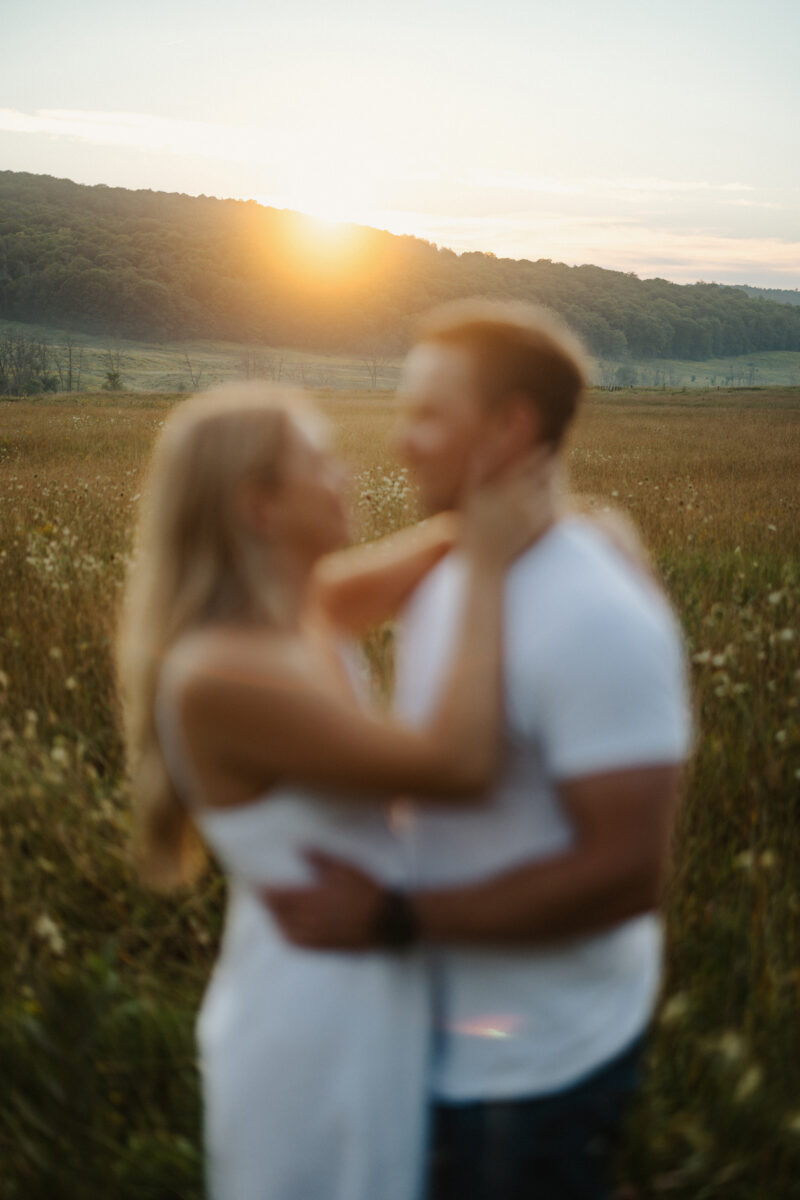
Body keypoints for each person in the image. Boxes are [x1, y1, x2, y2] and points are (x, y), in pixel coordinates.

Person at [265, 303, 693, 1200]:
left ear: (509, 427)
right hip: (435, 1033)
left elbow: (626, 872)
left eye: (428, 415)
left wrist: (394, 919)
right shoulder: (462, 563)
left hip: (533, 1069)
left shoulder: (598, 616)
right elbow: (296, 606)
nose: (400, 443)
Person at [116, 381, 555, 1200]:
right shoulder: (224, 671)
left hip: (362, 985)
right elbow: (457, 766)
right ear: (261, 507)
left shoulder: (296, 614)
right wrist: (491, 569)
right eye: (320, 461)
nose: (347, 476)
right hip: (308, 1018)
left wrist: (509, 510)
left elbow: (430, 549)